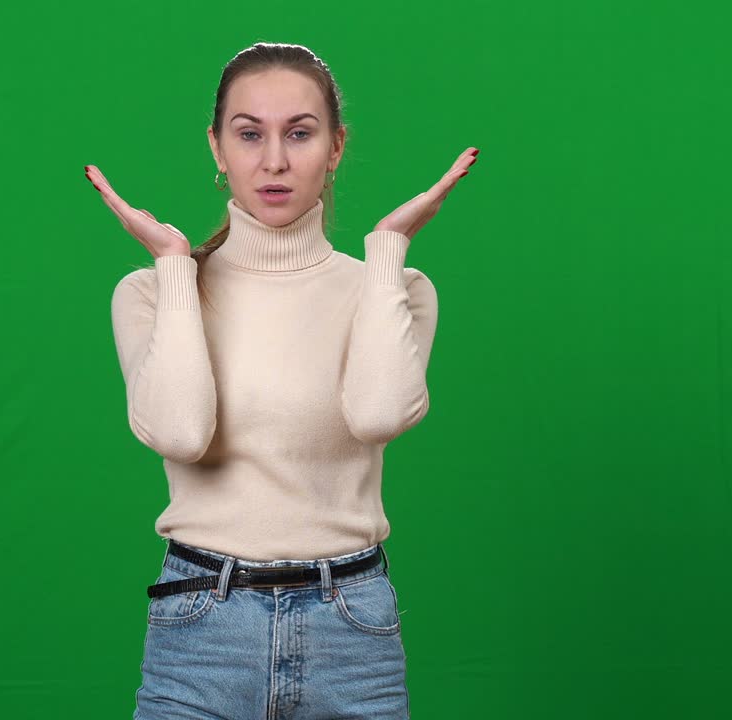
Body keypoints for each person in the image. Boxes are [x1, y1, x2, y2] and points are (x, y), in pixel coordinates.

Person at [87, 41, 476, 720]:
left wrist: (388, 248)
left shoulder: (395, 290)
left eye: (299, 134)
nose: (273, 161)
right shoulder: (152, 294)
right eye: (249, 134)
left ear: (335, 148)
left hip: (351, 628)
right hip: (201, 625)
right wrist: (177, 265)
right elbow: (180, 433)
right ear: (217, 147)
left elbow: (379, 413)